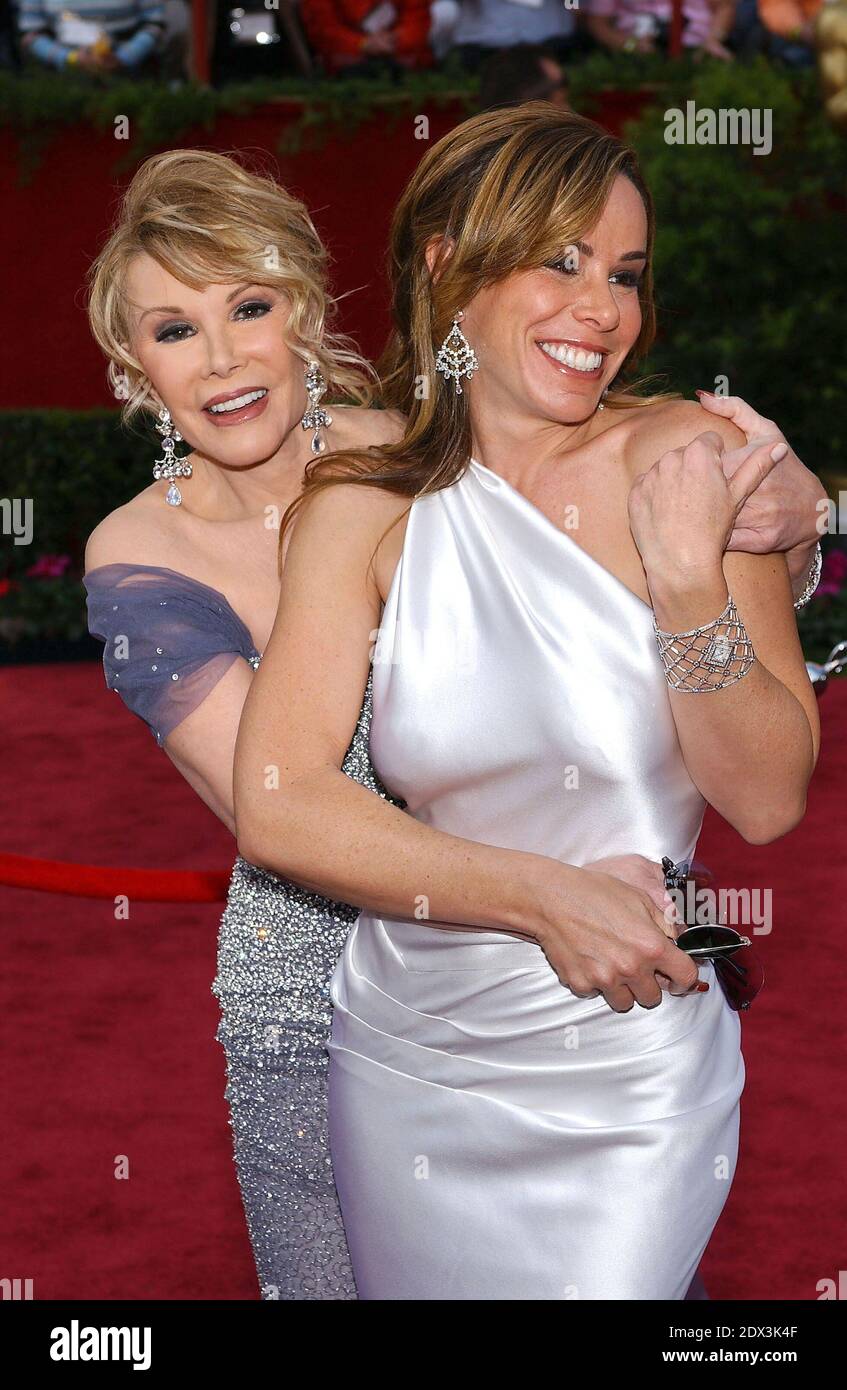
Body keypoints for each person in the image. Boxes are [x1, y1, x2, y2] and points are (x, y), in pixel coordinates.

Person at [232, 104, 821, 1299]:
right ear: (450, 267)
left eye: (624, 273)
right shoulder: (364, 509)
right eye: (559, 259)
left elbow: (764, 800)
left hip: (628, 1063)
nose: (600, 309)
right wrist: (544, 897)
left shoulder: (694, 459)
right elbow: (280, 803)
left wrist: (690, 581)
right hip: (407, 1053)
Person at [81, 147, 406, 1299]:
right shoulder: (137, 552)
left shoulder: (425, 459)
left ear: (304, 310)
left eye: (248, 306)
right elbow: (284, 813)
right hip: (309, 1006)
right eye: (173, 330)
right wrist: (553, 885)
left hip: (522, 985)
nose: (219, 360)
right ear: (135, 367)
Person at [18, 0, 166, 73]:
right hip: (59, 81)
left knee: (124, 130)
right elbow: (31, 32)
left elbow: (155, 23)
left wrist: (123, 58)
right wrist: (69, 58)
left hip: (130, 77)